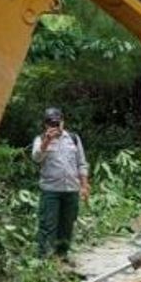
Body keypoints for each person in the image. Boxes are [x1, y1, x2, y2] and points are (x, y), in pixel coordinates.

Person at [30, 107, 90, 259]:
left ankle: (62, 257)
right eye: (51, 123)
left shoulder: (73, 138)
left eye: (57, 122)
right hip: (51, 190)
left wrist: (84, 185)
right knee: (48, 226)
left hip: (71, 190)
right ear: (45, 124)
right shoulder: (40, 139)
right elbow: (36, 158)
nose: (54, 126)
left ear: (62, 122)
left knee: (67, 225)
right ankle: (46, 259)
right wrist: (47, 141)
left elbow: (81, 163)